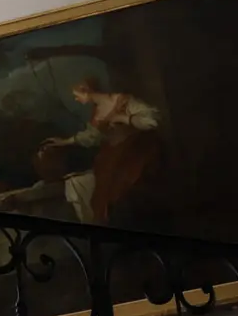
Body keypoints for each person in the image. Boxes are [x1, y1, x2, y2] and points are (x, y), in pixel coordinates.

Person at [40, 80, 162, 228]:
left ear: (86, 90)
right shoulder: (97, 111)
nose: (76, 99)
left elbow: (152, 121)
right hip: (110, 155)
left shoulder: (124, 101)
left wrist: (123, 118)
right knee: (101, 193)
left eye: (77, 95)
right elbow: (92, 137)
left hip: (131, 152)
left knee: (122, 190)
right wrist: (65, 142)